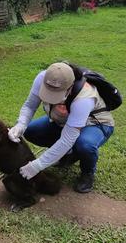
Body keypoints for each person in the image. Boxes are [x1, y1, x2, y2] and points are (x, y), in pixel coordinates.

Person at [8, 62, 114, 193]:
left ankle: (87, 173)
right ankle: (67, 154)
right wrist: (21, 124)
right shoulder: (42, 78)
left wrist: (38, 165)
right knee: (30, 131)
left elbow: (68, 138)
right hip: (63, 121)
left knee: (84, 145)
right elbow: (30, 105)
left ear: (70, 88)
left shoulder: (84, 98)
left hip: (94, 123)